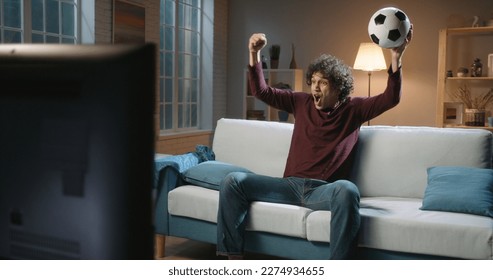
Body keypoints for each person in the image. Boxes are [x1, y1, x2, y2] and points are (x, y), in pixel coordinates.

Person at [217, 28, 413, 260]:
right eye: (313, 82)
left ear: (339, 87)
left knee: (347, 189)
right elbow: (261, 91)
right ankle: (230, 258)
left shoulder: (354, 109)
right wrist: (254, 54)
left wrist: (396, 58)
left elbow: (391, 97)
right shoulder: (301, 102)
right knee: (233, 181)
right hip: (288, 186)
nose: (315, 88)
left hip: (322, 191)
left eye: (323, 83)